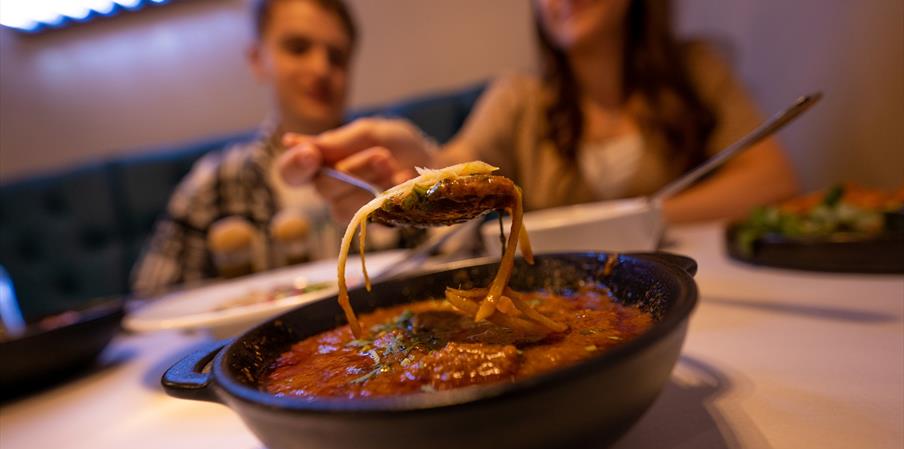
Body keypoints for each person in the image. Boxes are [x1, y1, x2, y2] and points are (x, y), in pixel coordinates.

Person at [278, 0, 798, 225]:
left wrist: (641, 220)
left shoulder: (696, 68)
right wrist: (414, 165)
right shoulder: (518, 100)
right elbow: (454, 163)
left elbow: (771, 180)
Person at [132, 0, 403, 295]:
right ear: (258, 60)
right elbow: (151, 296)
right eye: (298, 48)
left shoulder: (388, 166)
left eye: (336, 57)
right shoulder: (214, 182)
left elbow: (448, 255)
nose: (320, 68)